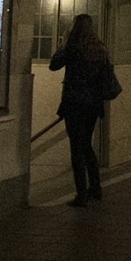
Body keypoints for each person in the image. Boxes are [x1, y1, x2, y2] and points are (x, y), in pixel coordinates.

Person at [49, 14, 110, 207]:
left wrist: (64, 43)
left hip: (75, 104)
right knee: (87, 145)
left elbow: (53, 65)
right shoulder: (100, 48)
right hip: (93, 105)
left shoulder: (72, 48)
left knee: (76, 148)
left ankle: (81, 193)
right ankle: (96, 188)